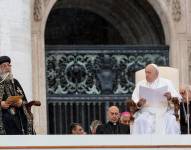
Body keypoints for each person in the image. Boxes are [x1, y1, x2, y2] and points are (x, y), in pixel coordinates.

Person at [131, 63, 181, 134]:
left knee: (171, 120)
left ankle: (170, 144)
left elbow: (177, 100)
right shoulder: (140, 84)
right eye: (146, 72)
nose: (146, 75)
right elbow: (134, 101)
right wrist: (139, 103)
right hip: (146, 113)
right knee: (140, 121)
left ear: (156, 74)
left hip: (164, 112)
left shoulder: (167, 83)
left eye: (149, 73)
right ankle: (143, 145)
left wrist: (170, 98)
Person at [0, 56, 34, 135]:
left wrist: (21, 102)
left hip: (18, 119)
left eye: (9, 65)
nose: (7, 68)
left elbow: (25, 100)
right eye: (4, 66)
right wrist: (1, 104)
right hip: (3, 119)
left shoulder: (15, 82)